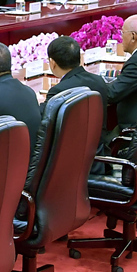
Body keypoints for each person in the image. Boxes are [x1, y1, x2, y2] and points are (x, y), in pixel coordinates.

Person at [43, 36, 110, 174]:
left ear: (52, 63)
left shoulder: (59, 91)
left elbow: (44, 124)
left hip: (71, 167)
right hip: (99, 160)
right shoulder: (99, 81)